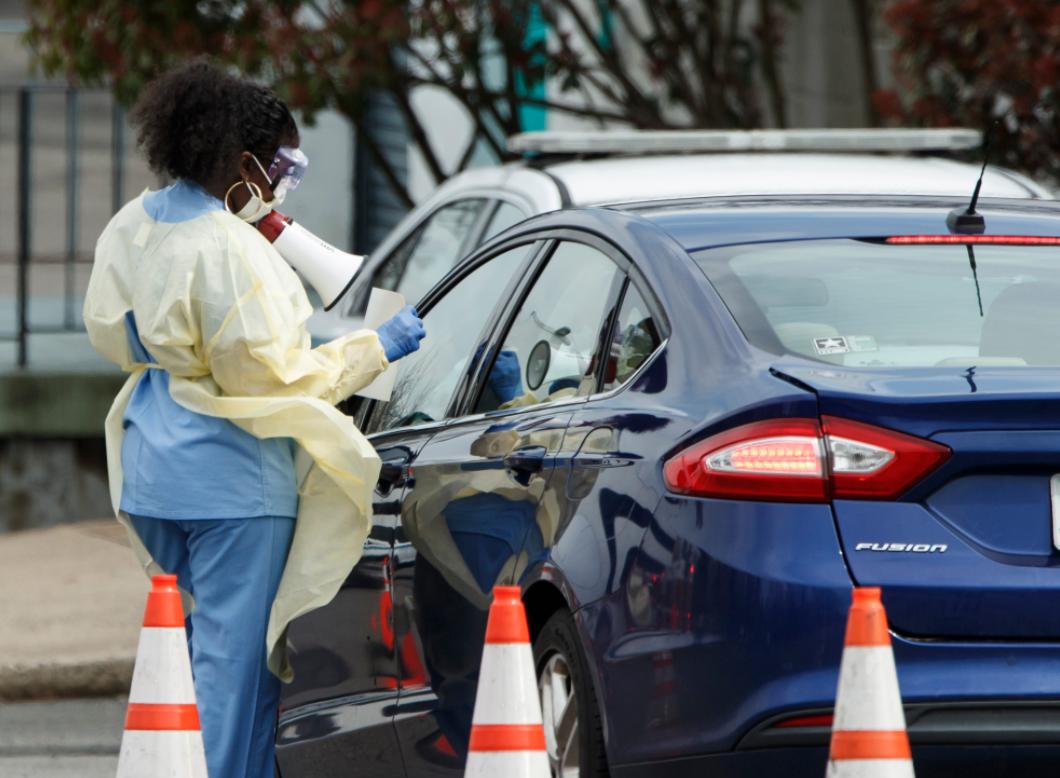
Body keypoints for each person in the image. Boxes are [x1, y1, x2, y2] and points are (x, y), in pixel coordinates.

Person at [82, 60, 425, 778]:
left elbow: (123, 331)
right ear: (246, 164)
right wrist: (373, 348)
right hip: (233, 485)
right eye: (284, 168)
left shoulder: (131, 226)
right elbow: (273, 375)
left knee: (174, 663)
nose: (282, 185)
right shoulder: (234, 249)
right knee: (231, 677)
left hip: (152, 467)